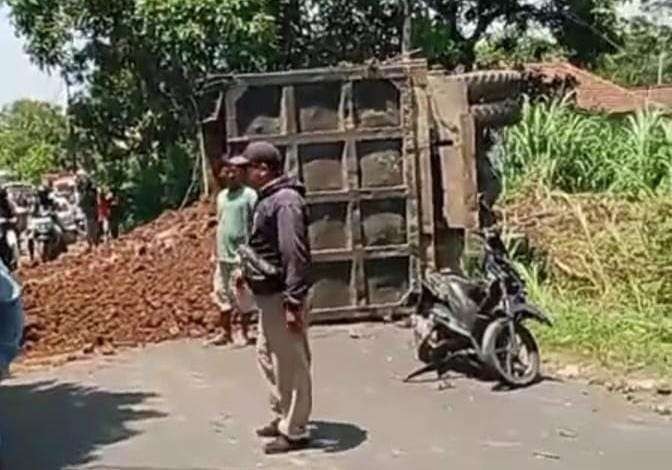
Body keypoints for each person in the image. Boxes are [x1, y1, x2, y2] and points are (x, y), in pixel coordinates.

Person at [239, 141, 313, 454]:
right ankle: (283, 413)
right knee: (266, 354)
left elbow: (293, 253)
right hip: (268, 295)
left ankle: (295, 429)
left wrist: (293, 302)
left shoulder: (285, 202)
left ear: (263, 169)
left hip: (283, 295)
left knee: (292, 362)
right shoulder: (267, 199)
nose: (241, 172)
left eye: (247, 167)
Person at [207, 155, 258, 347]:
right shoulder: (221, 197)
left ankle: (244, 332)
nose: (230, 175)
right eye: (227, 171)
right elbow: (220, 224)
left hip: (240, 255)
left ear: (242, 174)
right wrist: (215, 251)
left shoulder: (249, 196)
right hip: (222, 254)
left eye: (234, 172)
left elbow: (255, 224)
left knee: (242, 294)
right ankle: (225, 332)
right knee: (221, 293)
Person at [76, 171, 98, 250]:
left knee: (93, 229)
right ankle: (90, 244)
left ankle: (94, 243)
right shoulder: (81, 190)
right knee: (88, 229)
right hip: (85, 211)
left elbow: (95, 199)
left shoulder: (92, 189)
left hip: (91, 211)